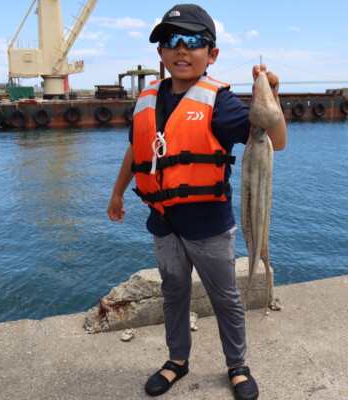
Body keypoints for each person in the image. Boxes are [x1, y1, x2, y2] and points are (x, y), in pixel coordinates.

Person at [107, 4, 286, 399]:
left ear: (212, 53)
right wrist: (118, 192)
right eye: (171, 41)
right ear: (160, 53)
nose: (181, 50)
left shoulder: (219, 103)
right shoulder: (147, 98)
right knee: (173, 292)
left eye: (192, 41)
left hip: (209, 224)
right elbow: (136, 152)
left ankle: (237, 365)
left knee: (225, 297)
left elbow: (274, 140)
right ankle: (177, 361)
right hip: (163, 221)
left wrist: (271, 95)